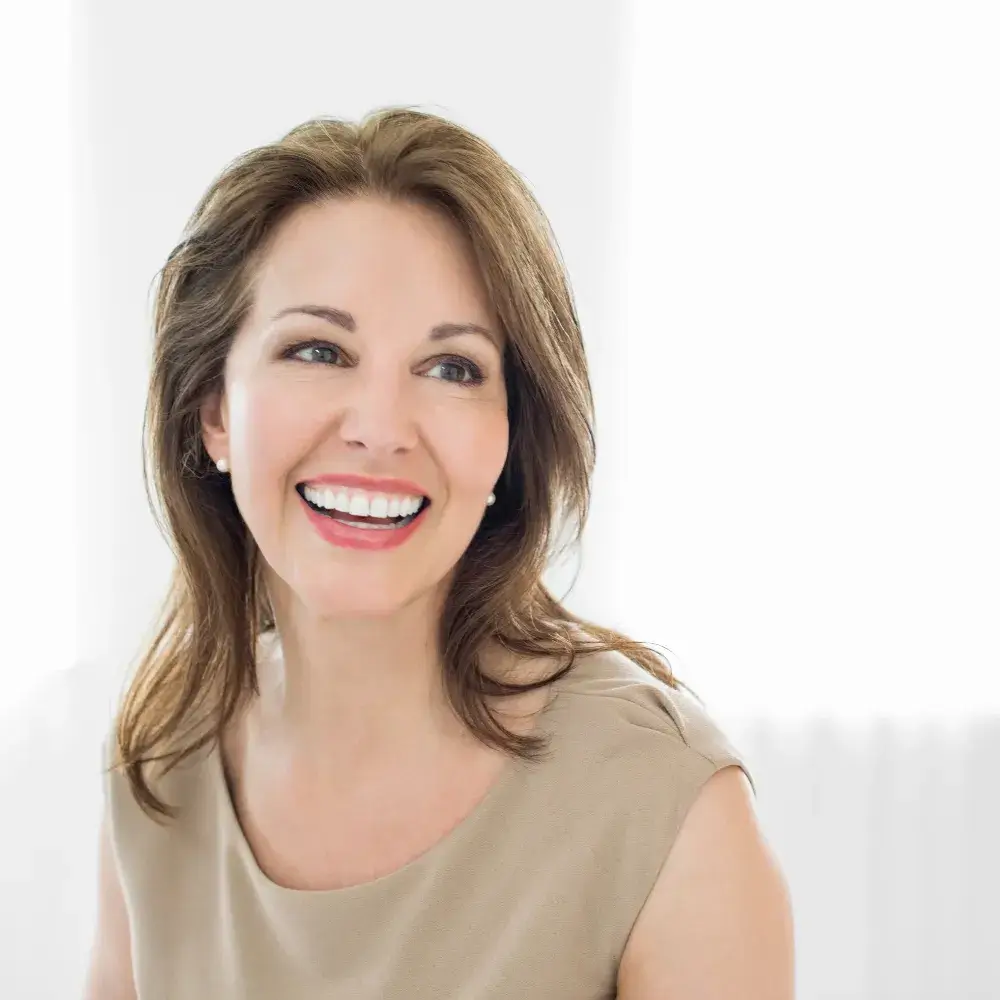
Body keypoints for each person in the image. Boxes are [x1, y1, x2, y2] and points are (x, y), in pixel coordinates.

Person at [84, 106, 794, 999]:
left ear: (508, 436)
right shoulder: (160, 759)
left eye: (452, 367)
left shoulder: (666, 809)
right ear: (214, 413)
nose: (381, 430)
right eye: (317, 349)